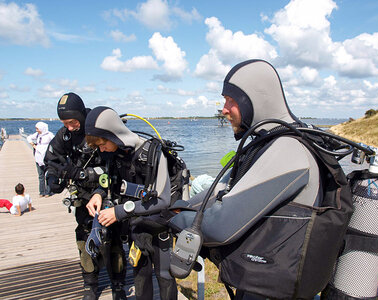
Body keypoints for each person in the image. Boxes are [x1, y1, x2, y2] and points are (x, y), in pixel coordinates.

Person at [169, 59, 352, 299]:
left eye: (230, 100)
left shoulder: (288, 149)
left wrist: (173, 219)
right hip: (263, 284)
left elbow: (221, 225)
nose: (223, 109)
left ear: (252, 100)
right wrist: (176, 207)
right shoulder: (269, 143)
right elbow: (221, 190)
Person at [85, 106, 178, 300]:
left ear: (114, 133)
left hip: (158, 228)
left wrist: (118, 212)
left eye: (102, 144)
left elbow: (163, 200)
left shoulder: (153, 153)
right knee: (140, 278)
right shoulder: (115, 154)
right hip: (135, 227)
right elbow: (111, 182)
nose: (101, 150)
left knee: (165, 277)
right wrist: (98, 194)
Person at [44, 93, 126, 300]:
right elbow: (52, 159)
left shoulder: (98, 127)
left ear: (81, 115)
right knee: (84, 239)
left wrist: (89, 178)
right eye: (65, 123)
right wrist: (52, 179)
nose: (70, 127)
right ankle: (90, 285)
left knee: (113, 240)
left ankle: (118, 286)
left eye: (72, 122)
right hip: (82, 197)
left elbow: (117, 163)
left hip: (107, 193)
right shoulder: (65, 135)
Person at [27, 121, 54, 197]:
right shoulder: (37, 135)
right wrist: (33, 145)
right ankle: (42, 192)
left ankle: (48, 192)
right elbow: (29, 137)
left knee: (48, 175)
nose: (36, 130)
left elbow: (55, 142)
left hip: (47, 157)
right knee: (41, 175)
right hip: (38, 157)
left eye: (37, 129)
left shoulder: (49, 135)